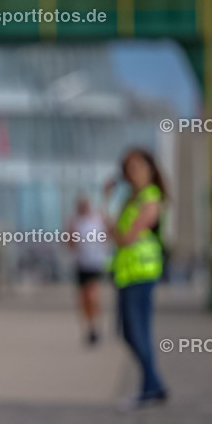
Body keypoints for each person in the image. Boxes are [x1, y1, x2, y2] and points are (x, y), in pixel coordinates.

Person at [104, 149, 169, 407]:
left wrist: (111, 224)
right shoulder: (130, 199)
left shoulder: (151, 198)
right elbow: (116, 232)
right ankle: (152, 385)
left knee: (137, 331)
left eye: (137, 167)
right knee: (127, 331)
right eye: (128, 169)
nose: (133, 173)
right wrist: (109, 199)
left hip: (142, 273)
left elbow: (125, 236)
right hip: (126, 273)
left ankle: (152, 386)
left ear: (150, 169)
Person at [68, 194, 108, 345]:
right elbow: (69, 244)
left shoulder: (98, 219)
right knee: (83, 298)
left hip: (95, 263)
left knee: (92, 294)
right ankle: (89, 326)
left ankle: (95, 325)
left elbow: (107, 236)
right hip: (81, 263)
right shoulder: (75, 222)